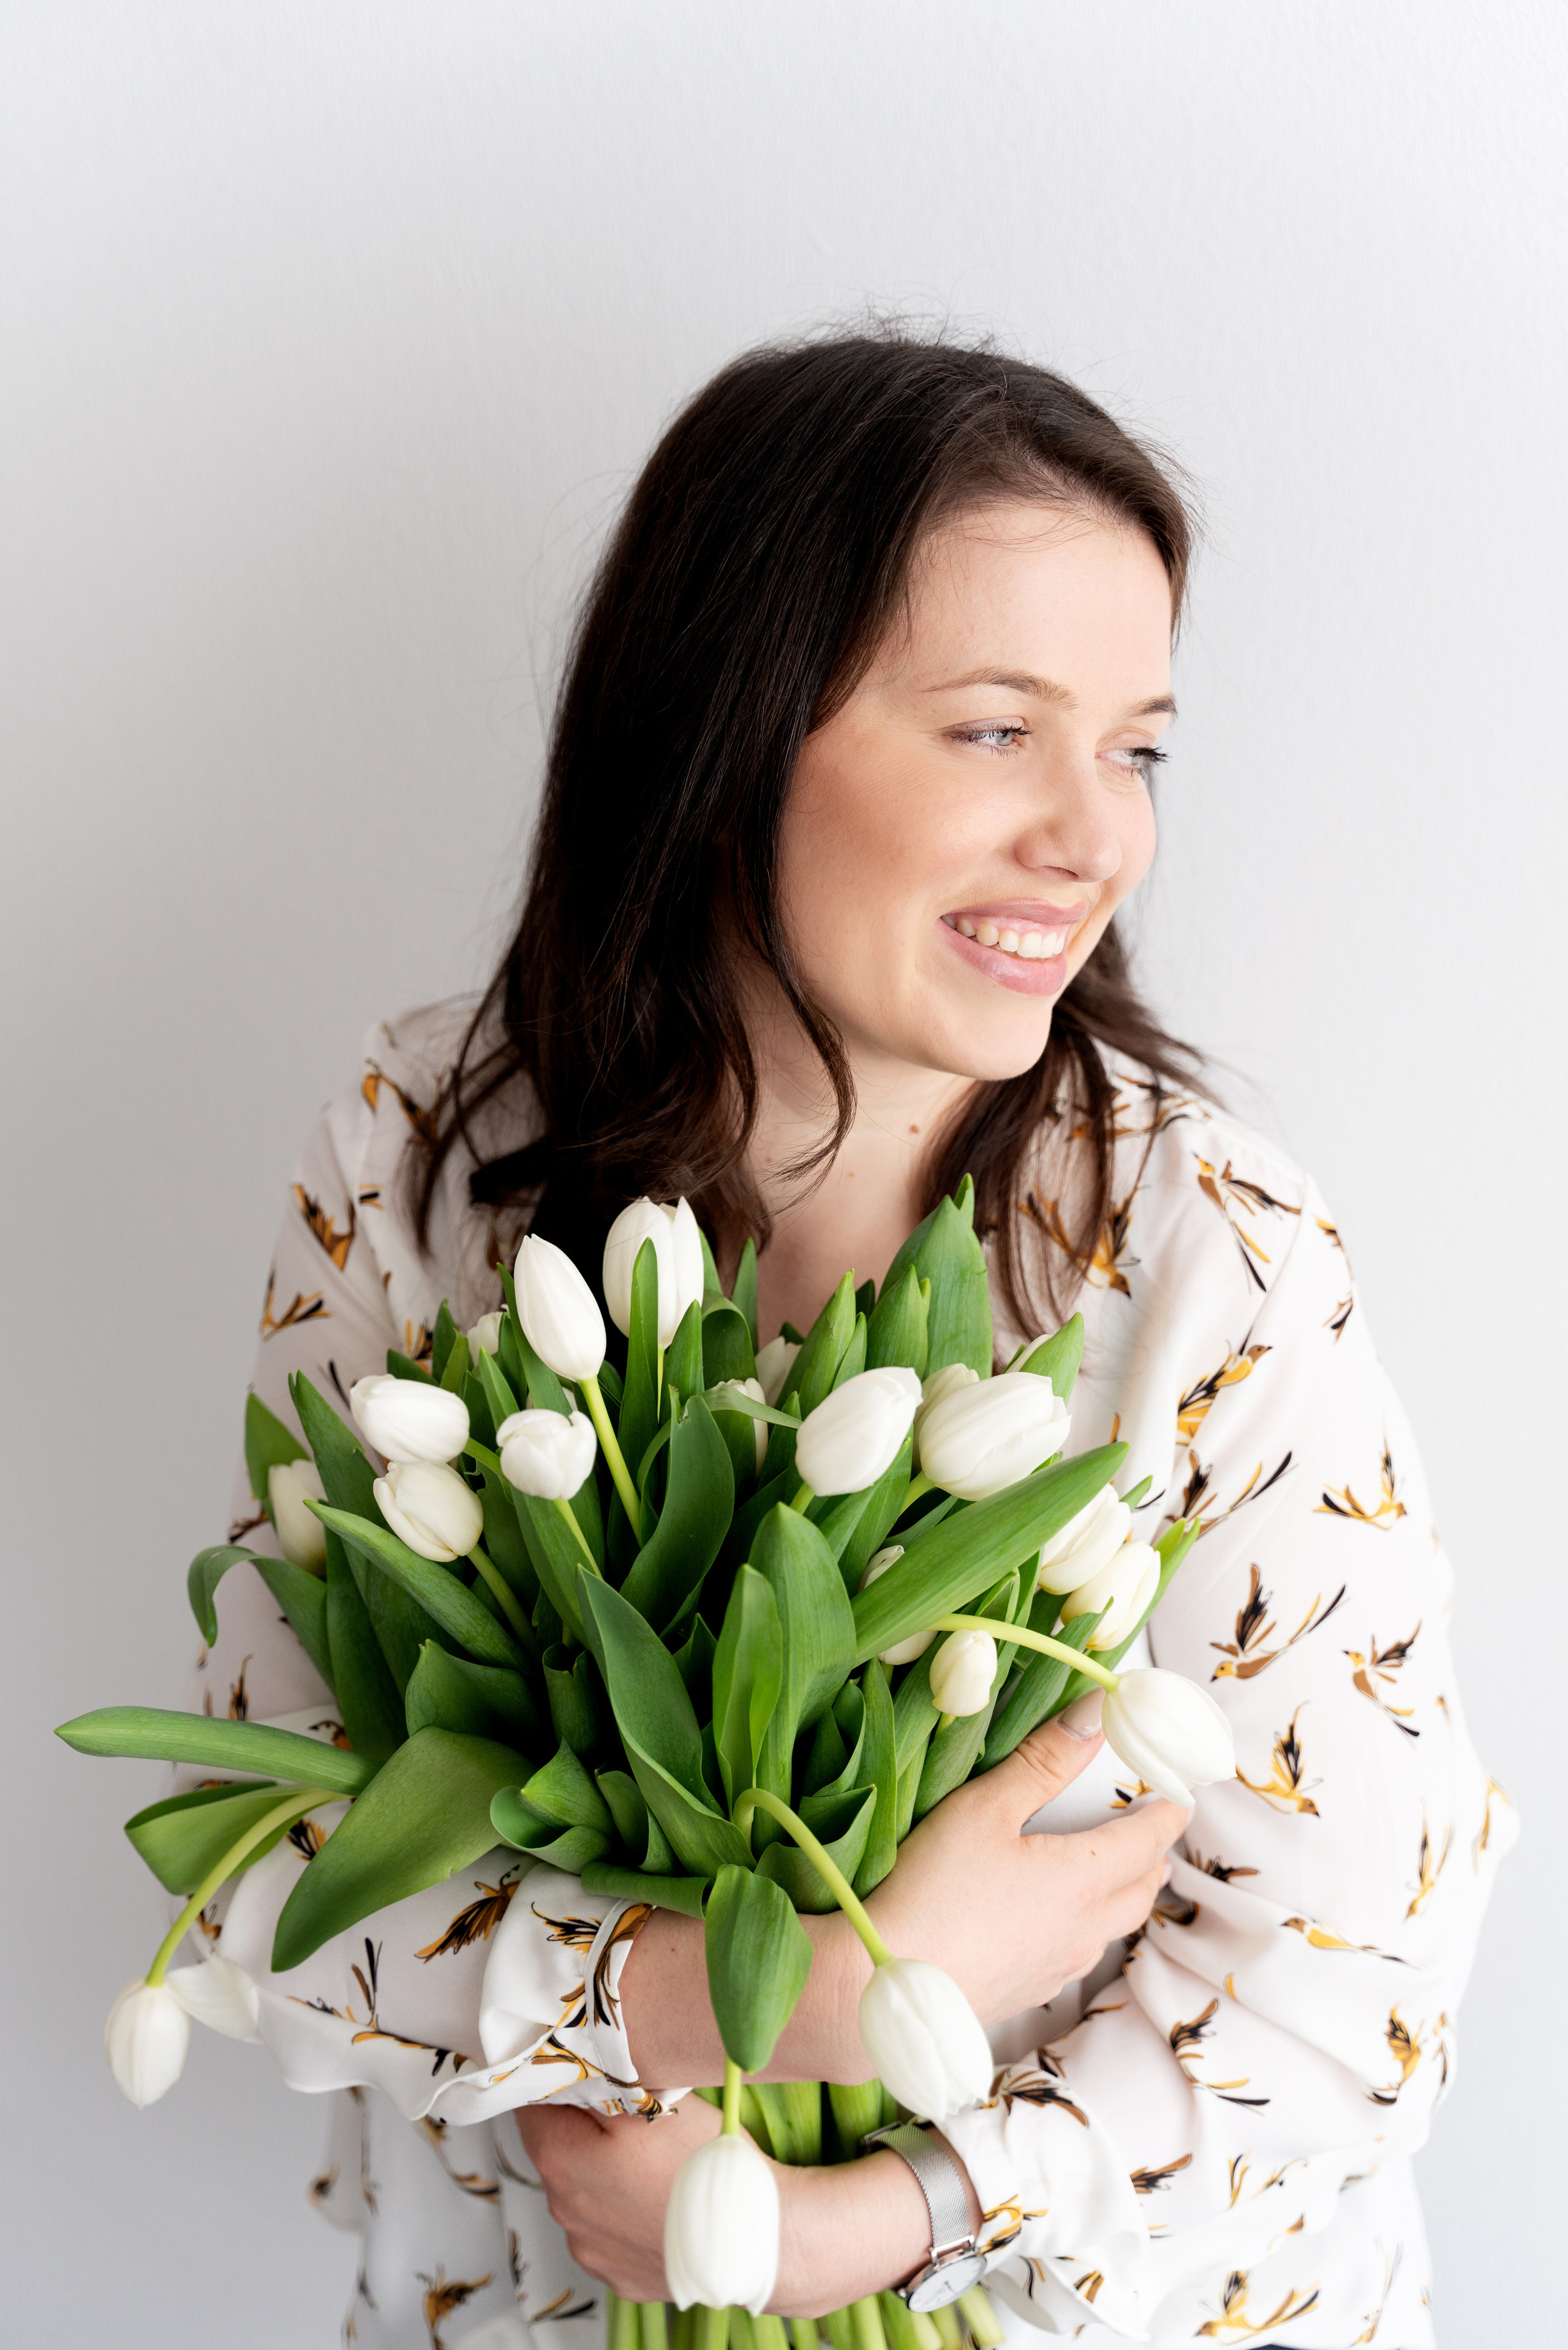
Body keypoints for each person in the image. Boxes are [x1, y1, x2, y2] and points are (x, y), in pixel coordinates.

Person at [194, 334, 1509, 2349]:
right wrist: (750, 1998)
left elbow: (1355, 1985)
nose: (1098, 837)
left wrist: (868, 2227)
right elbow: (269, 1844)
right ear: (729, 739)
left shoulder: (1200, 1266)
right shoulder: (430, 1163)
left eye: (1137, 746)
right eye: (999, 731)